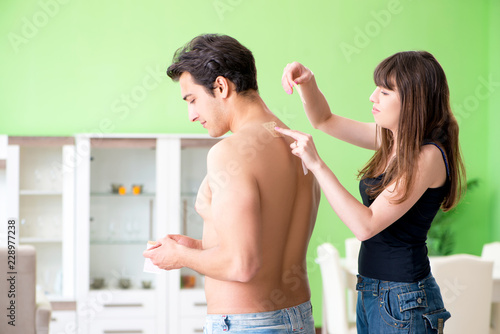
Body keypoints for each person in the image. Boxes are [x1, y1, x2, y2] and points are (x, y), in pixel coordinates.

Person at [275, 51, 465, 333]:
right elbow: (324, 120)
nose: (372, 97)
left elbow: (365, 225)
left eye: (385, 92)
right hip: (374, 291)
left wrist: (316, 165)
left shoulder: (428, 156)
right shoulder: (391, 139)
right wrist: (308, 82)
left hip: (403, 298)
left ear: (414, 100)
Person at [143, 34, 320, 334]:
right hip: (298, 317)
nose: (192, 115)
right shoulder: (296, 143)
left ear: (221, 86)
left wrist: (180, 257)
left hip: (247, 324)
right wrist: (199, 246)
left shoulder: (230, 152)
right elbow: (263, 243)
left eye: (192, 100)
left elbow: (242, 265)